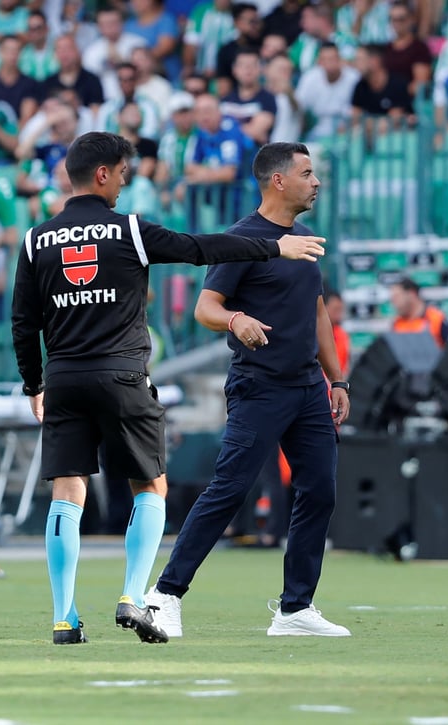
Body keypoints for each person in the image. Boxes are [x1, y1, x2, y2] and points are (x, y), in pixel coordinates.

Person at [11, 131, 326, 646]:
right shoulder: (129, 230)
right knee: (150, 485)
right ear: (103, 174)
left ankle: (64, 618)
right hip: (123, 377)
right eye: (122, 172)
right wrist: (274, 246)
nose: (125, 182)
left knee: (67, 492)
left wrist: (33, 383)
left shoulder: (35, 239)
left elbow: (23, 323)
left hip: (64, 378)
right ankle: (135, 596)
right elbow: (199, 249)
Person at [146, 142, 352, 639]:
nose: (316, 182)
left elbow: (317, 313)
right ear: (278, 181)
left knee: (319, 491)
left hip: (308, 387)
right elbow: (206, 307)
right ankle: (164, 596)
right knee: (230, 489)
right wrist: (236, 319)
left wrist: (337, 378)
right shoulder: (241, 239)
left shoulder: (303, 239)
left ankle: (295, 609)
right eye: (307, 173)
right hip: (259, 386)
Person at [389, 276, 448, 347]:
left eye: (397, 297)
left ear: (412, 294)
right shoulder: (397, 323)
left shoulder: (436, 318)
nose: (393, 302)